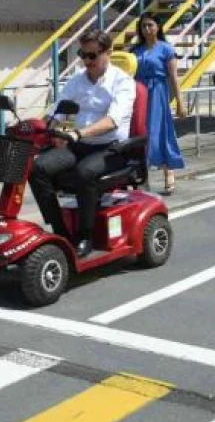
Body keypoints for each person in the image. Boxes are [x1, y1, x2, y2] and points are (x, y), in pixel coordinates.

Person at [29, 29, 136, 256]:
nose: (86, 61)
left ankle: (85, 235)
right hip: (79, 145)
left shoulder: (123, 82)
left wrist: (78, 133)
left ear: (108, 52)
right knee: (37, 167)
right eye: (82, 55)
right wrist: (42, 128)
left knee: (84, 172)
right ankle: (60, 232)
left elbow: (112, 121)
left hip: (112, 148)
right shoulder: (77, 81)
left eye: (92, 56)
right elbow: (56, 112)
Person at [131, 12, 186, 194]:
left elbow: (173, 77)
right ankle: (140, 176)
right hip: (138, 92)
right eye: (143, 26)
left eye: (150, 25)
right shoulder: (135, 51)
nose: (146, 29)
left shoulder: (166, 49)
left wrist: (179, 101)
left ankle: (168, 171)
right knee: (138, 132)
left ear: (158, 27)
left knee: (160, 130)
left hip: (158, 92)